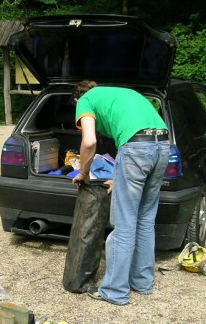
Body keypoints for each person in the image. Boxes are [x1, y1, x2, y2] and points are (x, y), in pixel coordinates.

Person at [72, 80, 170, 305]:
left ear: (78, 98)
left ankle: (114, 291)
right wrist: (119, 176)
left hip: (136, 149)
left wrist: (84, 172)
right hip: (162, 146)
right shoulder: (124, 93)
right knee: (145, 221)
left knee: (124, 224)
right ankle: (142, 283)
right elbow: (135, 134)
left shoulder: (85, 100)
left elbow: (89, 141)